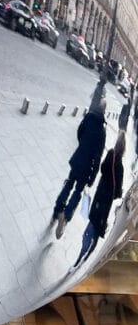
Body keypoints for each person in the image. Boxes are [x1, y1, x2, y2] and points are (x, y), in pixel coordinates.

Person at [51, 98, 107, 239]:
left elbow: (79, 131)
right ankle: (66, 215)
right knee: (77, 191)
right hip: (87, 166)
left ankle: (57, 209)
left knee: (69, 183)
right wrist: (93, 177)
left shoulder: (88, 117)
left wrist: (82, 145)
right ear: (104, 111)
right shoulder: (101, 131)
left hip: (78, 158)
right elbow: (98, 156)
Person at [72, 132, 125, 268]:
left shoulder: (110, 154)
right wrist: (117, 192)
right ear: (124, 149)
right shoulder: (121, 167)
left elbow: (102, 169)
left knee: (92, 222)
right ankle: (89, 251)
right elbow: (118, 192)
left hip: (99, 195)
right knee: (98, 226)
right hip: (106, 201)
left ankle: (80, 255)